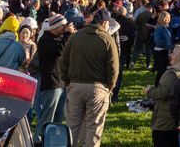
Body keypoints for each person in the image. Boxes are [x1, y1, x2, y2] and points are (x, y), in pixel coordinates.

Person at [60, 8, 120, 147]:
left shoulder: (75, 37)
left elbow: (63, 62)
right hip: (98, 88)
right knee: (94, 127)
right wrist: (109, 88)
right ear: (104, 23)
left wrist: (68, 82)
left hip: (75, 86)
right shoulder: (107, 39)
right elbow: (113, 69)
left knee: (72, 126)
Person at [33, 14, 70, 142]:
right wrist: (67, 35)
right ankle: (38, 142)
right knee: (47, 119)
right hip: (51, 84)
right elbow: (58, 50)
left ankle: (53, 142)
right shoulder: (45, 40)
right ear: (55, 27)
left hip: (61, 83)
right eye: (63, 26)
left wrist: (67, 35)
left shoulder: (57, 38)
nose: (65, 28)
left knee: (58, 120)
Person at [149, 44, 180, 147]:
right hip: (176, 122)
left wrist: (149, 91)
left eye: (174, 53)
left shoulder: (172, 75)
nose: (170, 55)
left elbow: (162, 93)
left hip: (165, 122)